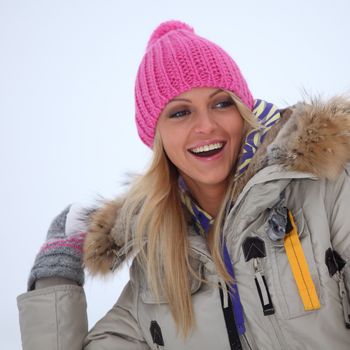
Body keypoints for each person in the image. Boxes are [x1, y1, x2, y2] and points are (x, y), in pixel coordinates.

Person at [17, 20, 350, 350]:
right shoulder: (156, 267)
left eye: (222, 103)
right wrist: (55, 279)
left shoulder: (328, 190)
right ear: (157, 136)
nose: (206, 126)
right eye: (180, 113)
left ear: (243, 111)